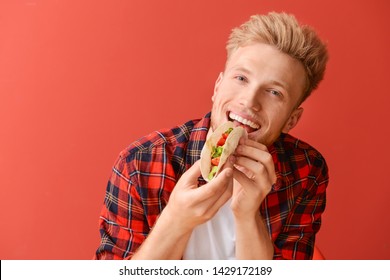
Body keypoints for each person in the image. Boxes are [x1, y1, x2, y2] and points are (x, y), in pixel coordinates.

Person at [94, 12, 329, 260]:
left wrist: (248, 215)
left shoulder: (306, 170)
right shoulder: (140, 164)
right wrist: (176, 219)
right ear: (217, 88)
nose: (249, 101)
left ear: (292, 119)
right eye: (241, 78)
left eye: (274, 92)